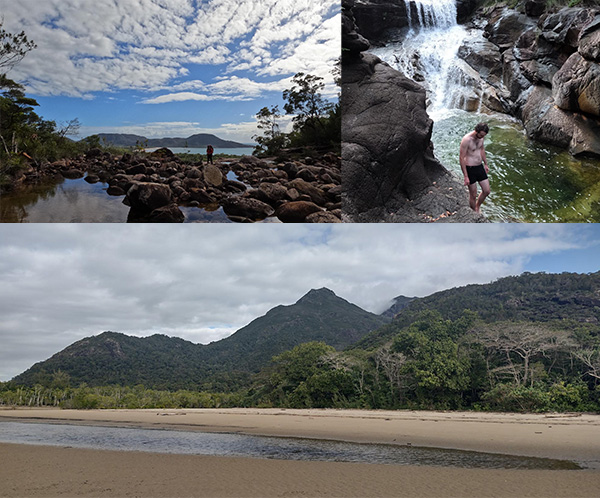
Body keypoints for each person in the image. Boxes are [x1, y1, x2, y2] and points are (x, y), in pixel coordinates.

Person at [459, 122, 490, 213]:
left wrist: (485, 163)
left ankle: (477, 207)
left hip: (479, 167)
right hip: (470, 169)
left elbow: (482, 149)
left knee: (486, 191)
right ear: (476, 131)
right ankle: (474, 212)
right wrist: (465, 176)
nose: (481, 137)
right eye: (480, 135)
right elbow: (462, 158)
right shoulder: (466, 140)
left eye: (483, 136)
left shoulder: (481, 137)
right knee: (473, 194)